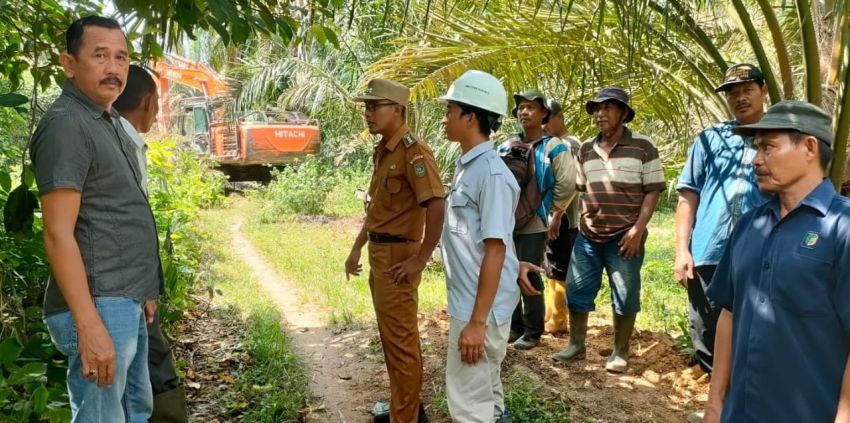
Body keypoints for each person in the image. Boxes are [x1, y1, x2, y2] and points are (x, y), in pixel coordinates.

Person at [30, 16, 162, 422]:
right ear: (69, 64)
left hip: (124, 298)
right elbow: (57, 234)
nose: (113, 68)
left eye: (121, 58)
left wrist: (144, 290)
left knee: (133, 410)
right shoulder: (68, 124)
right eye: (100, 55)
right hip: (99, 304)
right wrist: (89, 326)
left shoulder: (103, 120)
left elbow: (114, 213)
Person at [703, 100, 850, 422]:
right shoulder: (749, 225)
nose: (756, 160)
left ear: (809, 147)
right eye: (757, 148)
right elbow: (730, 313)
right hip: (741, 411)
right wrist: (715, 402)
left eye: (768, 147)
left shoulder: (843, 227)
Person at [345, 79, 445, 423]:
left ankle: (406, 417)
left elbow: (435, 205)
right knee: (392, 342)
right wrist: (357, 248)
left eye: (375, 107)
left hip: (399, 258)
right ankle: (405, 407)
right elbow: (377, 212)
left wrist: (420, 259)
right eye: (366, 107)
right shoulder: (385, 150)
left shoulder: (414, 152)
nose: (368, 114)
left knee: (401, 345)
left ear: (397, 110)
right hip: (380, 254)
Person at [554, 87, 665, 373]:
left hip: (624, 236)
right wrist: (557, 214)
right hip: (589, 234)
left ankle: (620, 351)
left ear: (624, 113)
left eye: (607, 108)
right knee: (577, 289)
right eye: (596, 109)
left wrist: (638, 230)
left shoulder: (643, 146)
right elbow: (580, 188)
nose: (600, 114)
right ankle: (577, 345)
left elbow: (652, 191)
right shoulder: (587, 148)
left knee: (625, 294)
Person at [674, 63, 771, 377]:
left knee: (757, 329)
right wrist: (681, 250)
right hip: (709, 251)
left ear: (763, 90)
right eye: (733, 93)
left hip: (762, 253)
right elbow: (688, 197)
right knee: (707, 329)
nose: (740, 97)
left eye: (747, 90)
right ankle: (718, 403)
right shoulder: (709, 139)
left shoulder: (781, 138)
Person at [438, 69, 519, 423]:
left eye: (451, 110)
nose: (445, 118)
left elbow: (496, 249)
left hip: (478, 306)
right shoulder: (469, 167)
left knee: (469, 404)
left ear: (470, 117)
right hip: (472, 300)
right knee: (485, 390)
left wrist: (476, 323)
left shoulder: (491, 173)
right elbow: (487, 237)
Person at [113, 64, 188, 423]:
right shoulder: (122, 142)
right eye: (157, 104)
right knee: (149, 366)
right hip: (125, 287)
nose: (158, 114)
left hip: (133, 284)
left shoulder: (122, 139)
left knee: (144, 369)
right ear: (147, 101)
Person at [498, 90, 576, 350]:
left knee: (528, 273)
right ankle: (514, 325)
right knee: (507, 272)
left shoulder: (555, 146)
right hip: (507, 220)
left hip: (535, 222)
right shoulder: (507, 145)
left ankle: (532, 331)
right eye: (520, 107)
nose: (524, 112)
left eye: (531, 107)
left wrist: (550, 209)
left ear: (544, 113)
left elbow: (567, 183)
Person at [541, 99, 581, 334]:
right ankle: (551, 313)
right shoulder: (549, 143)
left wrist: (558, 212)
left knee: (560, 266)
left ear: (559, 116)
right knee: (550, 265)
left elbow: (572, 183)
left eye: (547, 119)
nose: (543, 124)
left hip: (564, 217)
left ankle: (558, 319)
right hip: (550, 215)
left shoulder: (570, 144)